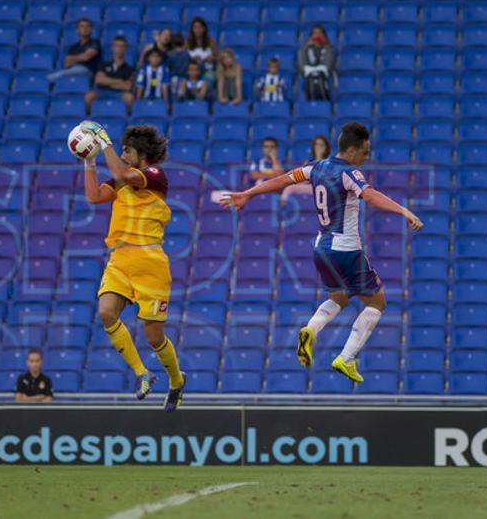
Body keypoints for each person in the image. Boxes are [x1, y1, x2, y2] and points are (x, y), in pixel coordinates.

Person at [220, 122, 424, 383]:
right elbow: (372, 196)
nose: (366, 157)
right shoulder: (351, 174)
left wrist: (247, 194)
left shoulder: (314, 168)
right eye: (365, 151)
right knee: (377, 302)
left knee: (339, 299)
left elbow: (281, 180)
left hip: (321, 248)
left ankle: (311, 329)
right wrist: (405, 211)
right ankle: (346, 358)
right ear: (351, 151)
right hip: (347, 248)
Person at [79, 121, 186, 413]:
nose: (123, 155)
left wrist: (105, 144)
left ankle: (176, 381)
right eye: (121, 150)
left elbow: (122, 172)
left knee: (154, 337)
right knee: (105, 311)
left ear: (142, 157)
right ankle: (142, 372)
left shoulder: (153, 175)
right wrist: (89, 161)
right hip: (120, 259)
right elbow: (93, 196)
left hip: (150, 262)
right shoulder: (122, 180)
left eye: (127, 151)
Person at [85, 35, 135, 114]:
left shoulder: (129, 69)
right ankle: (89, 119)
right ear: (113, 47)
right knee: (89, 96)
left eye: (122, 46)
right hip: (102, 91)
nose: (119, 49)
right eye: (117, 46)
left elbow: (127, 86)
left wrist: (107, 81)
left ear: (126, 48)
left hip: (119, 93)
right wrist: (119, 81)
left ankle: (126, 119)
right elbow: (98, 80)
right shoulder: (103, 65)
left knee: (129, 97)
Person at [281, 135, 331, 206]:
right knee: (289, 188)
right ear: (313, 147)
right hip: (308, 186)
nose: (319, 147)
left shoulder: (329, 162)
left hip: (322, 188)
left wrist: (319, 157)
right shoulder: (308, 162)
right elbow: (302, 176)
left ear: (326, 148)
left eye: (321, 145)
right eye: (317, 144)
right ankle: (284, 209)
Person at [297, 24, 335, 101]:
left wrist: (326, 45)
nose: (317, 35)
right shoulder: (305, 49)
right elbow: (302, 67)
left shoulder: (329, 49)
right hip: (309, 78)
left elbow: (328, 67)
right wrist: (306, 47)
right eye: (315, 33)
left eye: (320, 33)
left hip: (324, 78)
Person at [186, 17, 219, 81]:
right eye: (195, 27)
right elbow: (183, 58)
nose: (198, 29)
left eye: (200, 27)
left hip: (208, 71)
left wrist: (211, 58)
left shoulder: (211, 40)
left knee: (206, 83)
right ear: (192, 29)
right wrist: (193, 59)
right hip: (192, 72)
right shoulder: (187, 41)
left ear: (204, 29)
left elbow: (218, 57)